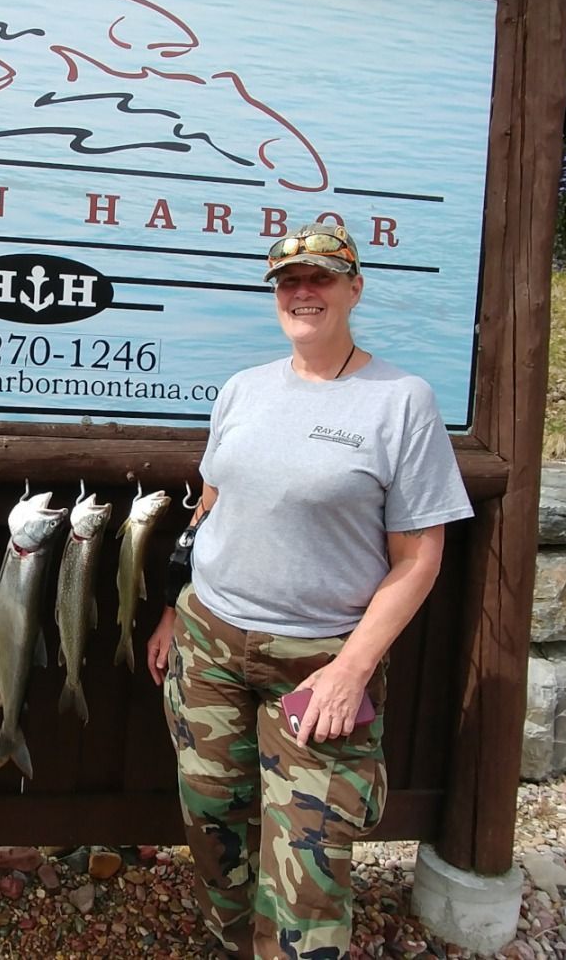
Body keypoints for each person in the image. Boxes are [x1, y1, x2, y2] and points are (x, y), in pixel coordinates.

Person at [145, 221, 474, 959]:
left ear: (354, 288)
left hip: (321, 664)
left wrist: (353, 668)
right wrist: (174, 606)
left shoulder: (401, 401)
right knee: (213, 828)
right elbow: (209, 506)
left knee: (310, 869)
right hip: (210, 644)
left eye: (321, 277)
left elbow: (419, 557)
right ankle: (231, 943)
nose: (302, 291)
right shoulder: (243, 390)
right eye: (289, 282)